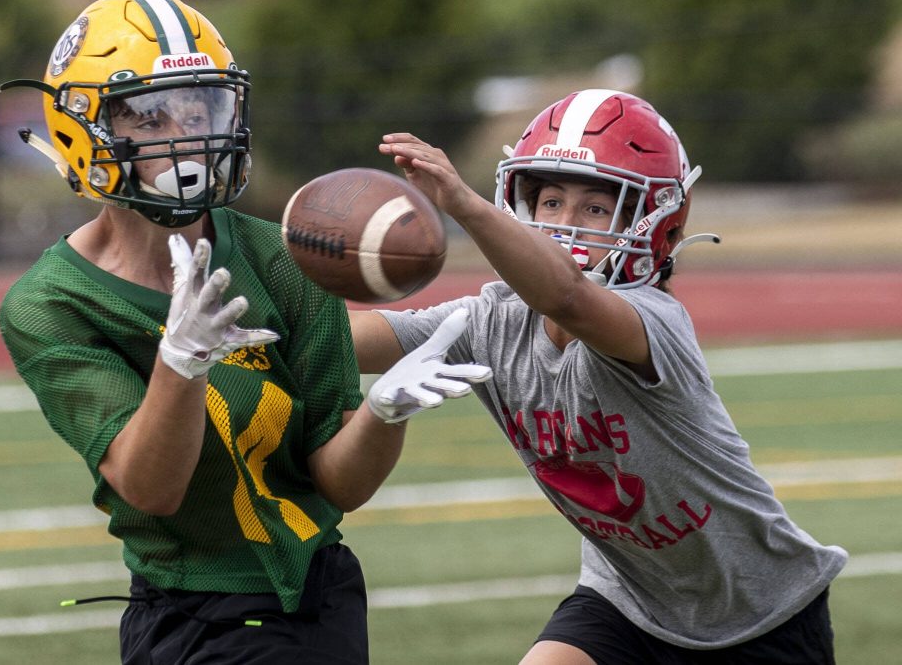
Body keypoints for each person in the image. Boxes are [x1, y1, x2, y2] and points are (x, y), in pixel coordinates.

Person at [0, 0, 489, 664]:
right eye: (151, 113)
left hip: (318, 601)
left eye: (200, 106)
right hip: (183, 610)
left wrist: (381, 413)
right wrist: (180, 359)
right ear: (84, 127)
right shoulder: (52, 302)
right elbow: (152, 488)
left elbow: (340, 484)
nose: (188, 129)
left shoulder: (284, 257)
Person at [352, 89, 847, 663]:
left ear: (652, 221)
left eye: (594, 208)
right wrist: (252, 293)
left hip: (761, 612)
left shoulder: (651, 319)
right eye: (551, 202)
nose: (564, 225)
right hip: (626, 600)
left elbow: (568, 296)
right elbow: (342, 335)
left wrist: (462, 206)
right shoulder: (494, 319)